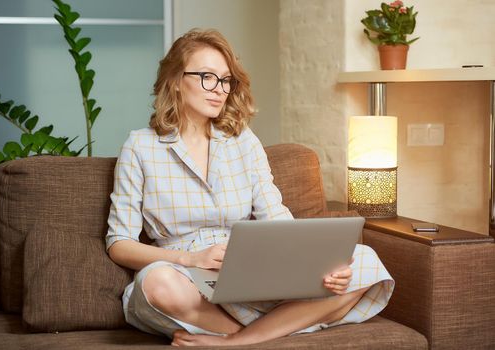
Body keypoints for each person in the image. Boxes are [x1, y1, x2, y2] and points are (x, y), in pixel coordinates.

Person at [106, 29, 394, 347]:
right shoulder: (141, 146)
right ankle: (283, 325)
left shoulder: (243, 141)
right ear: (175, 79)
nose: (219, 90)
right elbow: (119, 244)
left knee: (364, 259)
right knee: (156, 282)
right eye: (207, 77)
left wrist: (318, 267)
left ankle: (237, 341)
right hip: (185, 275)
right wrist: (191, 260)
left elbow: (276, 218)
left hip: (250, 269)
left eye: (226, 80)